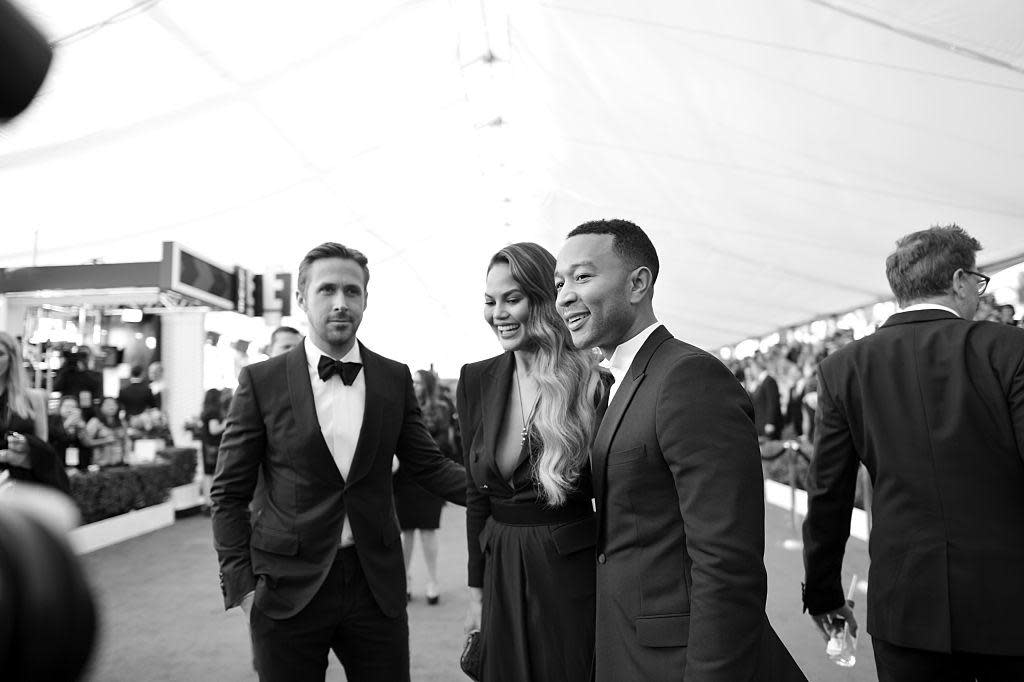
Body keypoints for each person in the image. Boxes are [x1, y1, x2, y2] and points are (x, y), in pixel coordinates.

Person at [554, 219, 804, 681]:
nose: (564, 295)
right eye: (559, 282)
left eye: (582, 277)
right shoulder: (618, 380)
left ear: (638, 283)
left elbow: (726, 562)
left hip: (682, 661)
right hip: (631, 649)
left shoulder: (688, 377)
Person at [211, 242, 466, 682]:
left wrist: (507, 492)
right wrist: (243, 588)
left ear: (366, 299)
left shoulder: (392, 377)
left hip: (375, 583)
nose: (340, 303)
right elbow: (228, 492)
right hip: (286, 586)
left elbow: (429, 466)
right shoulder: (261, 381)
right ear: (302, 299)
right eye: (327, 290)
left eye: (352, 291)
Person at [802, 225, 1024, 681]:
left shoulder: (843, 367)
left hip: (904, 604)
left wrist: (825, 594)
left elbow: (828, 492)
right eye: (979, 283)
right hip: (1009, 601)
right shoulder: (1009, 348)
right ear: (960, 280)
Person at [459, 242, 606, 682]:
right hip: (499, 563)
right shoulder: (474, 378)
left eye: (512, 298)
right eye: (490, 301)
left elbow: (616, 494)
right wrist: (475, 592)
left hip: (568, 572)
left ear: (543, 300)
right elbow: (475, 493)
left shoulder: (592, 379)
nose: (498, 313)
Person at [392, 369, 455, 605]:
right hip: (403, 478)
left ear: (426, 384)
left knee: (428, 531)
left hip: (428, 478)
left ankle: (432, 580)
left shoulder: (440, 407)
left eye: (418, 382)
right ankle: (405, 579)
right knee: (404, 531)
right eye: (413, 382)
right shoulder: (399, 403)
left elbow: (447, 442)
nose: (415, 385)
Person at [0, 331, 68, 492]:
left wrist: (26, 445)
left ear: (11, 358)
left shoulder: (33, 398)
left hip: (24, 483)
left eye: (0, 354)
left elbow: (43, 447)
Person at [82, 396, 129, 467]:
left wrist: (127, 457)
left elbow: (126, 441)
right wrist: (105, 440)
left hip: (119, 462)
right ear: (101, 407)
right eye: (108, 404)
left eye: (114, 404)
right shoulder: (95, 422)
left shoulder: (122, 422)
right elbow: (86, 442)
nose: (112, 407)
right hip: (101, 463)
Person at [48, 394, 91, 468]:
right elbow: (53, 437)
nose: (69, 409)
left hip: (78, 462)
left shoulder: (80, 421)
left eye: (73, 407)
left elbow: (87, 443)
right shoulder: (52, 420)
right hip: (56, 460)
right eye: (67, 406)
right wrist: (68, 423)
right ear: (60, 407)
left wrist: (82, 428)